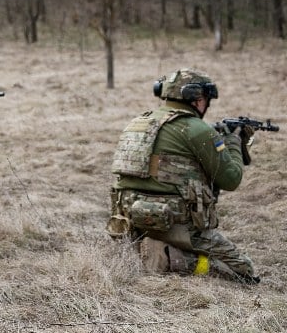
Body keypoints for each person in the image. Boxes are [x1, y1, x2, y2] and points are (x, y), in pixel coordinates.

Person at [107, 68, 258, 284]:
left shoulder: (137, 122)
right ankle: (168, 260)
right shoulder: (197, 129)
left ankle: (145, 247)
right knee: (242, 271)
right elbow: (231, 179)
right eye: (206, 99)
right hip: (177, 226)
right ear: (197, 99)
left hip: (129, 222)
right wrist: (234, 142)